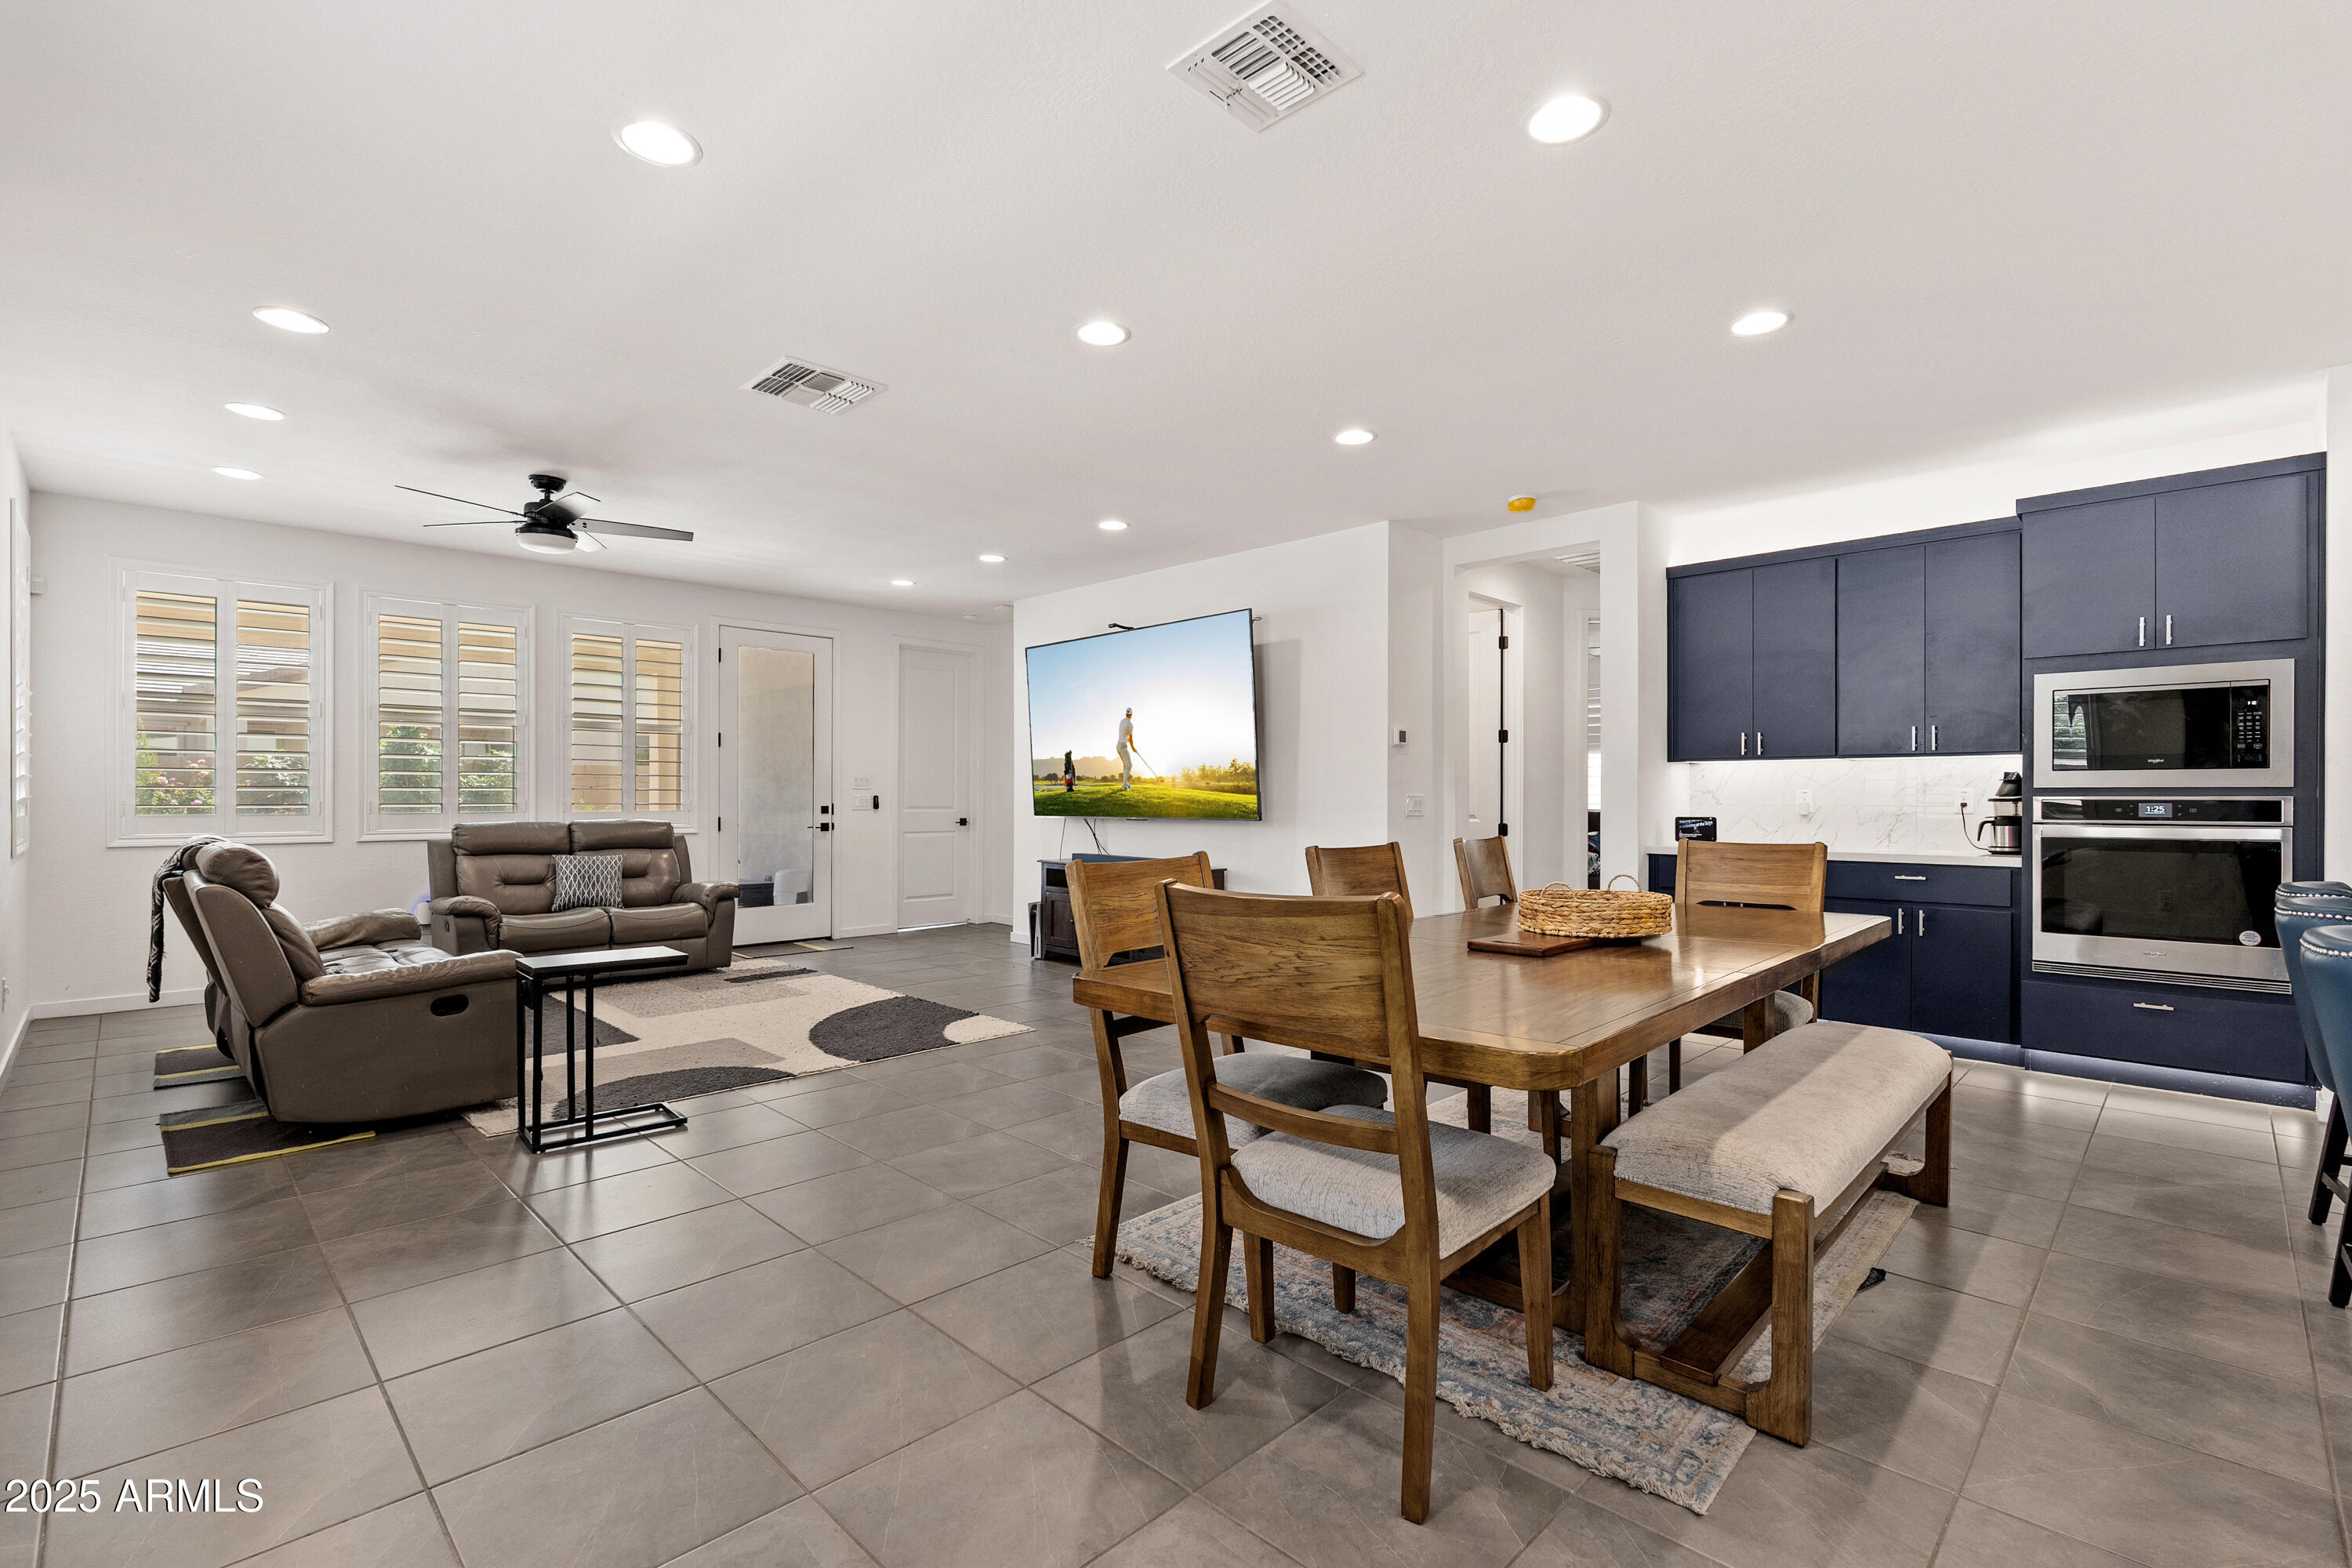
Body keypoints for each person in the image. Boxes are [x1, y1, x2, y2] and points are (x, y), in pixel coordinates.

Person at [1117, 708, 1137, 791]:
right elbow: (1130, 739)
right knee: (1129, 765)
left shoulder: (1122, 721)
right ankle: (1124, 786)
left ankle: (1126, 784)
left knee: (1126, 765)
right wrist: (1133, 748)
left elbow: (1125, 736)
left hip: (1118, 746)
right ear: (1131, 714)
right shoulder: (1130, 724)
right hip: (1123, 747)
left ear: (1126, 714)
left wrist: (1132, 746)